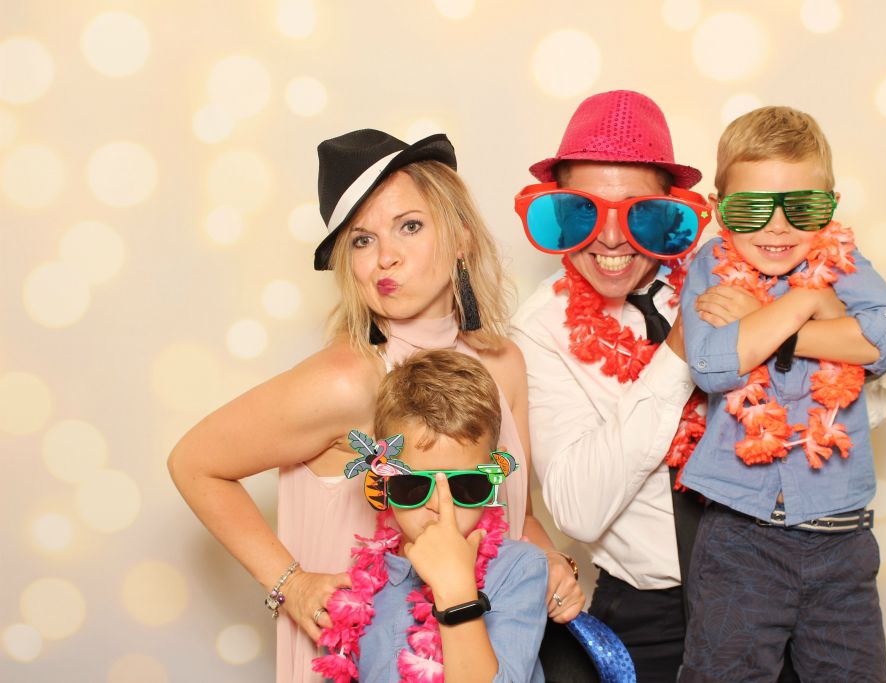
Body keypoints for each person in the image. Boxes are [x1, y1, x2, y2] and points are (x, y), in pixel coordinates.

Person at [168, 129, 582, 683]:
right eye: (362, 240)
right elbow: (194, 463)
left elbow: (513, 513)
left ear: (460, 236)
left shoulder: (503, 363)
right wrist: (291, 584)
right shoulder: (346, 381)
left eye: (409, 226)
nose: (386, 257)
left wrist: (552, 561)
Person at [677, 106, 886, 682]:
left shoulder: (844, 263)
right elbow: (711, 365)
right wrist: (813, 305)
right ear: (720, 209)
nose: (777, 228)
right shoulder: (711, 267)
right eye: (752, 209)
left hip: (841, 535)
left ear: (830, 205)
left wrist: (770, 320)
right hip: (741, 535)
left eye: (802, 208)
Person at [511, 90, 712, 681]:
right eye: (585, 211)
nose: (612, 238)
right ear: (559, 210)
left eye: (638, 212)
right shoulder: (539, 329)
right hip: (649, 617)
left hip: (766, 588)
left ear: (669, 212)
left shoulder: (721, 281)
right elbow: (577, 508)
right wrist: (678, 353)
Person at [313, 349, 548, 682]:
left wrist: (456, 591)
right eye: (413, 485)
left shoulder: (519, 569)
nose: (440, 504)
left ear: (495, 472)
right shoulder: (359, 588)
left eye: (466, 485)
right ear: (383, 478)